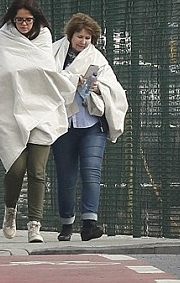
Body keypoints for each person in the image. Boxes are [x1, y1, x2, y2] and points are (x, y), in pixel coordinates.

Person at [0, 0, 77, 243]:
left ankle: (35, 225)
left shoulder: (44, 37)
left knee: (37, 171)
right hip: (11, 111)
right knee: (15, 169)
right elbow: (6, 69)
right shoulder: (5, 36)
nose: (24, 24)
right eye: (19, 20)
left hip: (42, 110)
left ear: (36, 20)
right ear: (13, 20)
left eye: (28, 20)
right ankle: (10, 210)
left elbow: (44, 71)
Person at [51, 13, 128, 241]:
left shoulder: (98, 60)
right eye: (79, 36)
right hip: (63, 124)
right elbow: (48, 80)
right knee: (65, 176)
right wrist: (72, 80)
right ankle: (66, 224)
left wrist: (96, 88)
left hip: (92, 123)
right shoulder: (54, 53)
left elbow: (113, 87)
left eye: (88, 37)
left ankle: (89, 224)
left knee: (91, 172)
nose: (83, 41)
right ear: (70, 35)